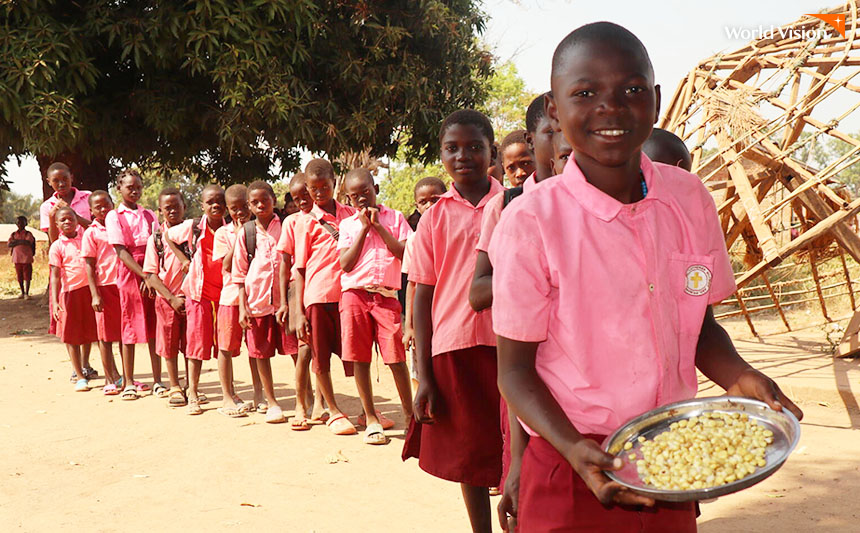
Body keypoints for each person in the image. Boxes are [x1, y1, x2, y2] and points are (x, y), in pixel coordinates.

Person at [489, 22, 804, 532]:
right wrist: (573, 448)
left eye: (631, 90)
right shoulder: (530, 222)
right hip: (573, 463)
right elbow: (515, 372)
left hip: (669, 462)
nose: (610, 109)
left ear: (655, 100)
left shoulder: (688, 200)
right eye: (585, 93)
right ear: (553, 109)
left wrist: (739, 375)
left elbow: (698, 323)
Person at [403, 109, 505, 533]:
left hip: (512, 342)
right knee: (470, 454)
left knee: (515, 446)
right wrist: (423, 373)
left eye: (474, 147)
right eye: (452, 148)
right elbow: (422, 296)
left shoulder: (516, 202)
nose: (463, 156)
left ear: (492, 152)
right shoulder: (434, 217)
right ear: (441, 155)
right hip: (454, 343)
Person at [338, 168, 414, 445]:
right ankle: (370, 417)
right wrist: (363, 229)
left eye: (365, 193)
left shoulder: (395, 218)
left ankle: (410, 417)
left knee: (396, 357)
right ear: (348, 198)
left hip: (386, 297)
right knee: (360, 358)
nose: (361, 200)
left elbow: (404, 253)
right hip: (355, 295)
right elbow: (345, 264)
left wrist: (379, 226)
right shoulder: (347, 225)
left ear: (376, 189)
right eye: (354, 196)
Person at [292, 159, 358, 436]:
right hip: (318, 296)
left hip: (349, 295)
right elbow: (300, 269)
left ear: (336, 183)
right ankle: (333, 409)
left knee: (356, 353)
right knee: (319, 357)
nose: (320, 193)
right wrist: (298, 310)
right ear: (307, 189)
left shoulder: (351, 215)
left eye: (325, 187)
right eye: (314, 189)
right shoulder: (305, 223)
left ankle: (365, 407)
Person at [106, 169, 181, 401]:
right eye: (130, 187)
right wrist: (144, 276)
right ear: (119, 189)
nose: (135, 191)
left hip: (151, 267)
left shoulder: (149, 214)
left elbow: (157, 244)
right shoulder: (113, 216)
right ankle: (128, 382)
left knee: (153, 324)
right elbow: (120, 251)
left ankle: (158, 380)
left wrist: (152, 276)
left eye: (138, 187)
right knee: (129, 325)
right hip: (130, 272)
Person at [167, 185, 228, 415]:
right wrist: (183, 258)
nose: (215, 206)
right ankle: (192, 392)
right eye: (210, 202)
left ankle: (227, 394)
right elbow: (167, 236)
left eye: (220, 202)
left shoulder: (229, 229)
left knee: (225, 345)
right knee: (196, 345)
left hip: (223, 295)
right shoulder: (192, 227)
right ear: (202, 205)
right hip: (198, 294)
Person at [232, 180, 287, 424]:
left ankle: (307, 399)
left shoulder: (286, 225)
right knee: (261, 354)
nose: (260, 204)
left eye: (265, 199)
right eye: (254, 202)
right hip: (258, 303)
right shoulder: (247, 232)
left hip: (285, 301)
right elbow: (239, 274)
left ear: (274, 200)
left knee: (298, 350)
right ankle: (272, 401)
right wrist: (243, 307)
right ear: (249, 206)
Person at [275, 172, 324, 430]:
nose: (302, 201)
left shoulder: (326, 218)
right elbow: (285, 265)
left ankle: (322, 403)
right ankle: (300, 403)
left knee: (323, 349)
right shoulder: (292, 223)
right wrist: (284, 301)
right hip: (300, 290)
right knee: (304, 349)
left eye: (306, 195)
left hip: (326, 289)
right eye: (296, 198)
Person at [40, 162, 94, 376]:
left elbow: (97, 226)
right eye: (56, 180)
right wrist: (55, 217)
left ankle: (86, 363)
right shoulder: (47, 206)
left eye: (65, 178)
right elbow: (53, 239)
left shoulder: (87, 197)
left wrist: (73, 214)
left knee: (89, 320)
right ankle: (76, 368)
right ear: (49, 182)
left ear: (72, 176)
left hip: (89, 264)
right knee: (70, 323)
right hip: (68, 271)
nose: (61, 183)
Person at [143, 187, 190, 405]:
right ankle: (174, 386)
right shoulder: (157, 239)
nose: (172, 211)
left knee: (192, 344)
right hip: (167, 299)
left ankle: (192, 384)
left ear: (185, 207)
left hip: (193, 298)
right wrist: (171, 298)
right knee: (169, 344)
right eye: (167, 208)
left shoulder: (193, 234)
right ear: (160, 211)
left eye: (176, 206)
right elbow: (151, 275)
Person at [212, 184, 256, 416]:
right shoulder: (223, 233)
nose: (239, 212)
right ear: (228, 210)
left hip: (256, 297)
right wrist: (240, 236)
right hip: (230, 298)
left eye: (243, 207)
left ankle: (260, 393)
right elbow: (226, 265)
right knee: (226, 348)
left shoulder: (258, 228)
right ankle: (227, 396)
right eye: (234, 209)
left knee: (256, 349)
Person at [401, 176, 447, 391]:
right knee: (422, 368)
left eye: (435, 199)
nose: (429, 206)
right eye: (423, 202)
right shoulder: (413, 240)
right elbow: (412, 284)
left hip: (449, 310)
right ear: (416, 206)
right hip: (425, 313)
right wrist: (409, 326)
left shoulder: (453, 231)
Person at [49, 206, 98, 392]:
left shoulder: (85, 238)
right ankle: (78, 375)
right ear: (57, 224)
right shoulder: (57, 246)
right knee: (71, 335)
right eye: (63, 220)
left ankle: (85, 365)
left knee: (88, 332)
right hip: (70, 294)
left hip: (88, 291)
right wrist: (55, 301)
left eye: (71, 219)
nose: (67, 222)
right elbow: (55, 276)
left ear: (77, 220)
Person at [81, 191, 123, 395]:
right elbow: (89, 265)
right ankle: (110, 379)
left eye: (106, 205)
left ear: (112, 204)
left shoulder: (120, 226)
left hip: (123, 284)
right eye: (98, 207)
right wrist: (94, 294)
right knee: (105, 335)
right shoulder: (91, 233)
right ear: (91, 211)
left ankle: (127, 377)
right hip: (104, 286)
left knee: (125, 334)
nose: (103, 209)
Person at [524, 93, 555, 182]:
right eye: (552, 132)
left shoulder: (595, 191)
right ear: (530, 140)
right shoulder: (517, 196)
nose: (564, 139)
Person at [8, 215, 36, 300]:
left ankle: (27, 293)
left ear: (26, 223)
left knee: (27, 276)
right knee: (19, 276)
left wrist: (16, 242)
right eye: (18, 222)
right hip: (17, 258)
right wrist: (22, 241)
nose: (20, 224)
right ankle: (22, 292)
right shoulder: (13, 234)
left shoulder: (28, 233)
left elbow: (28, 242)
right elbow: (9, 244)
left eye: (22, 222)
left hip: (26, 258)